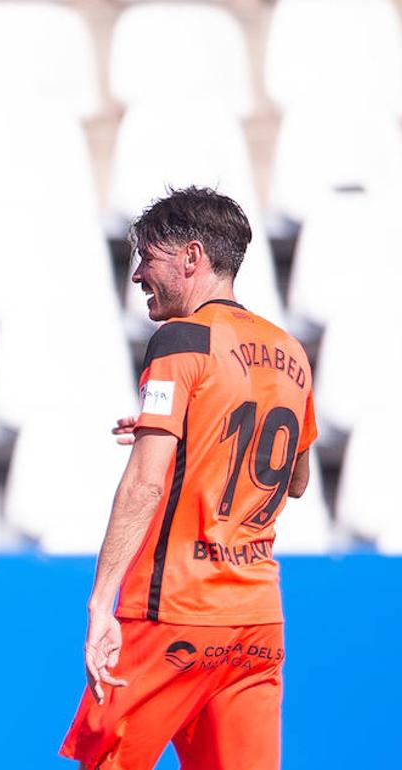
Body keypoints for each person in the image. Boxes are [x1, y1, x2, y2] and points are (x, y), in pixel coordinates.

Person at [60, 187, 318, 770]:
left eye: (146, 259)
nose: (135, 276)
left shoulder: (182, 339)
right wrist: (186, 431)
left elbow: (145, 484)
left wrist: (102, 602)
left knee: (107, 762)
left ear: (191, 256)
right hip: (254, 620)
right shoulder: (291, 351)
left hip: (174, 610)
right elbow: (296, 479)